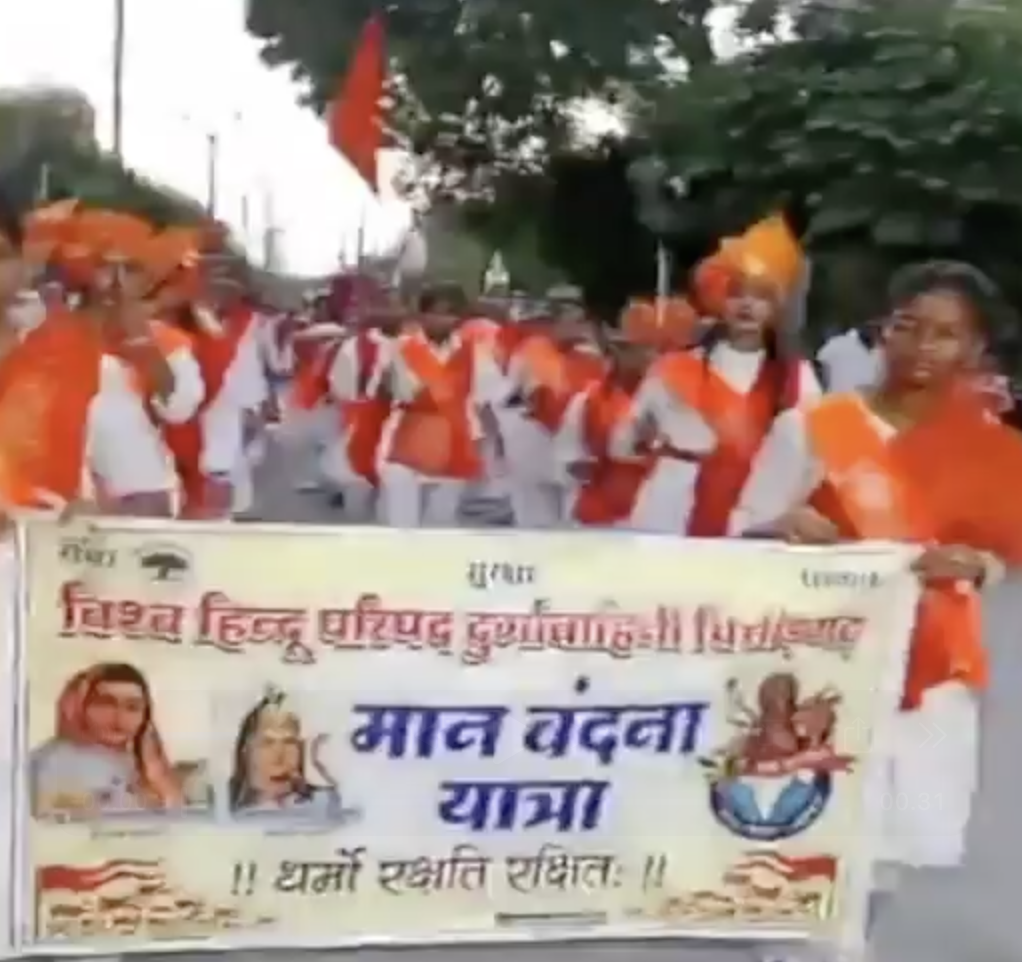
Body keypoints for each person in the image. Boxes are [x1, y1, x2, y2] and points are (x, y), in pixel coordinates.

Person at [728, 260, 1022, 962]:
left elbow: (1002, 552)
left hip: (930, 670)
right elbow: (745, 527)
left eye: (946, 335)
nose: (921, 347)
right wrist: (785, 525)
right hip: (819, 666)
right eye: (906, 326)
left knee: (889, 849)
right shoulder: (816, 426)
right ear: (879, 333)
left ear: (976, 352)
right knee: (811, 832)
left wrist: (974, 566)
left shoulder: (993, 446)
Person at [611, 215, 820, 535]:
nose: (747, 305)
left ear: (776, 308)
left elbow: (812, 452)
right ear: (720, 299)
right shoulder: (674, 369)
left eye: (761, 296)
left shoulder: (797, 376)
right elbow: (623, 442)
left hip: (756, 514)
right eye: (737, 293)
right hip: (673, 510)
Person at [31, 663, 202, 818]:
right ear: (80, 706)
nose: (119, 717)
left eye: (132, 707)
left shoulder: (143, 763)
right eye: (106, 703)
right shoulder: (51, 762)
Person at [227, 687, 345, 819]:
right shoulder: (224, 811)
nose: (279, 755)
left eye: (290, 742)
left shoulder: (321, 807)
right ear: (245, 753)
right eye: (267, 743)